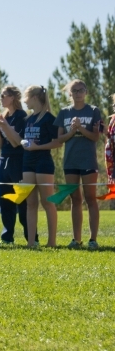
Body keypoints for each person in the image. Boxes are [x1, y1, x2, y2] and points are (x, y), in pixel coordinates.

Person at [2, 86, 60, 248]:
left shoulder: (49, 118)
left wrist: (37, 147)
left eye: (26, 97)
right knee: (31, 203)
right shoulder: (28, 119)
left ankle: (52, 242)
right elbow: (20, 140)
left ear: (34, 97)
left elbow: (58, 142)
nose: (25, 101)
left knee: (48, 202)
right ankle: (31, 242)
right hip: (27, 163)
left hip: (43, 162)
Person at [54, 79, 102, 250]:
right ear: (70, 94)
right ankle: (76, 239)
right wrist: (73, 131)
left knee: (90, 198)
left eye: (81, 89)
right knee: (75, 198)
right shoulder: (64, 113)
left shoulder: (94, 111)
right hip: (70, 161)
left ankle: (93, 239)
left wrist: (81, 129)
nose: (78, 93)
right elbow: (59, 139)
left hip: (88, 160)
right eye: (75, 90)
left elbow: (96, 137)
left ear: (86, 92)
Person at [0, 86, 35, 246]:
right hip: (4, 160)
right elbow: (0, 144)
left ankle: (31, 237)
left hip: (18, 160)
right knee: (5, 200)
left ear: (13, 97)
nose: (1, 98)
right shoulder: (4, 117)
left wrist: (4, 126)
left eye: (4, 95)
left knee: (22, 201)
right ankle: (7, 237)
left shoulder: (22, 116)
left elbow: (17, 143)